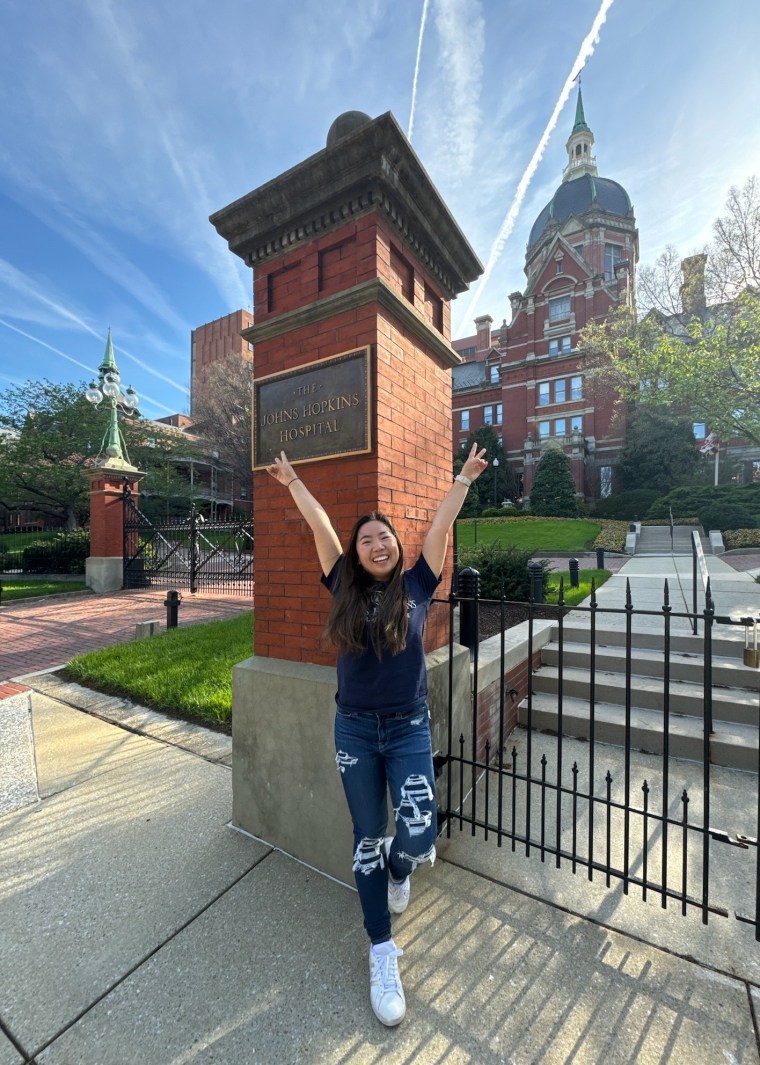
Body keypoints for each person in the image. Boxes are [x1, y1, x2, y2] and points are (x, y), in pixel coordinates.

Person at [266, 444, 487, 1026]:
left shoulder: (417, 583)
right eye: (366, 539)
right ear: (356, 552)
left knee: (418, 833)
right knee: (367, 836)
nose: (377, 544)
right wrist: (293, 482)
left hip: (410, 726)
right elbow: (319, 524)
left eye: (383, 536)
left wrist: (461, 479)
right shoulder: (341, 582)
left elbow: (439, 526)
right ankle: (381, 949)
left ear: (395, 545)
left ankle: (399, 866)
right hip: (356, 731)